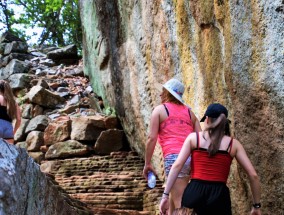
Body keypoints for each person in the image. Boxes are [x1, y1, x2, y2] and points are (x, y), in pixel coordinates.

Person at [159, 103, 262, 215]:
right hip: (219, 196)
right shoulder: (233, 145)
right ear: (224, 123)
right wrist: (256, 205)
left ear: (207, 120)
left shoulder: (194, 138)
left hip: (194, 192)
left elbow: (177, 166)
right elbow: (253, 176)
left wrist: (165, 195)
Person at [143, 78, 202, 214]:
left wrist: (147, 163)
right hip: (190, 159)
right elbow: (201, 139)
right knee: (173, 201)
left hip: (174, 159)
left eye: (163, 91)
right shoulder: (190, 114)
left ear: (168, 93)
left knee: (180, 204)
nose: (160, 94)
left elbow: (151, 138)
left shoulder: (159, 111)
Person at [0, 80, 21, 144]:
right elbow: (19, 120)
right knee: (8, 153)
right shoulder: (14, 102)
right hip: (9, 128)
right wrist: (13, 132)